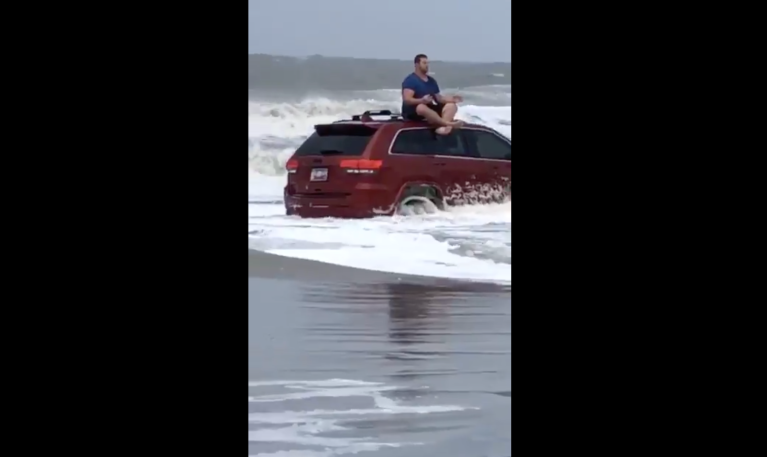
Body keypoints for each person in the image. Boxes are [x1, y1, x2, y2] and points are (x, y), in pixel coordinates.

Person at [401, 54, 464, 135]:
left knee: (451, 105)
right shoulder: (410, 80)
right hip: (413, 111)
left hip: (430, 108)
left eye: (428, 63)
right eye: (424, 63)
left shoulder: (431, 81)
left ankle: (441, 127)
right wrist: (422, 100)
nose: (427, 65)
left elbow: (439, 98)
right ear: (417, 64)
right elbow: (407, 100)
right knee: (421, 107)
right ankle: (447, 124)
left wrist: (452, 99)